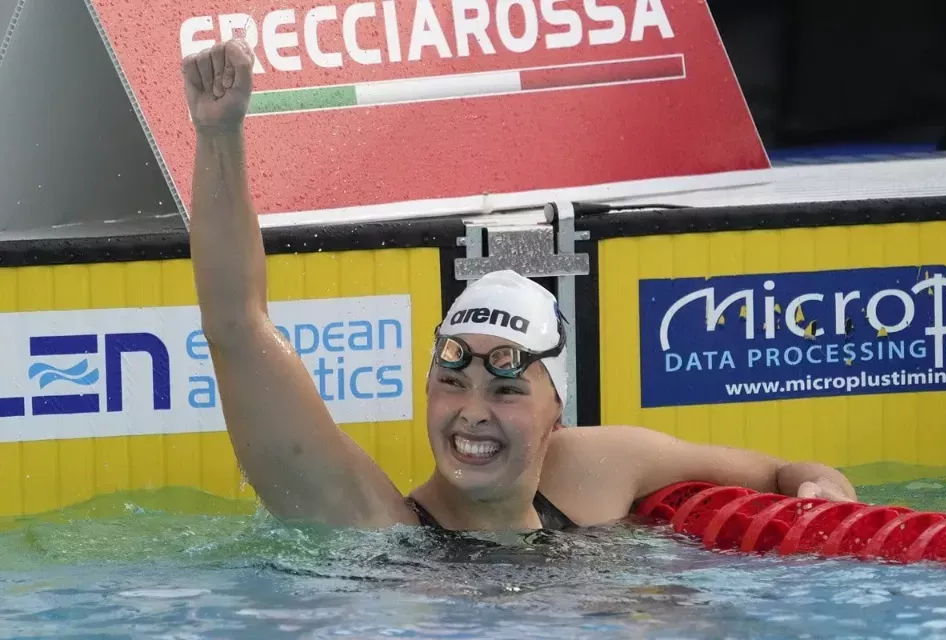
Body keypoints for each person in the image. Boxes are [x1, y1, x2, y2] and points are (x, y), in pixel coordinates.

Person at [181, 39, 858, 533]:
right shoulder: (370, 522)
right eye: (453, 382)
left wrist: (818, 484)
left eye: (505, 390)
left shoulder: (596, 470)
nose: (472, 412)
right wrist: (218, 135)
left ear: (556, 412)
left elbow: (783, 475)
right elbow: (236, 327)